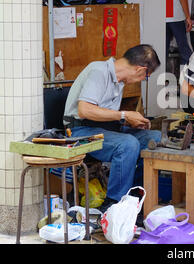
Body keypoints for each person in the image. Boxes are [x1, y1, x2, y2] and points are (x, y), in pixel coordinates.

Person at [63, 45, 162, 212]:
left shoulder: (119, 81)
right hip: (80, 131)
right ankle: (113, 204)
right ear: (140, 70)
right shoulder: (99, 71)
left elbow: (107, 116)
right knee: (127, 144)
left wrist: (129, 122)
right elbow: (84, 110)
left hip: (103, 130)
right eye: (146, 77)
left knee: (153, 137)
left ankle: (135, 197)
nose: (142, 80)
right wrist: (124, 115)